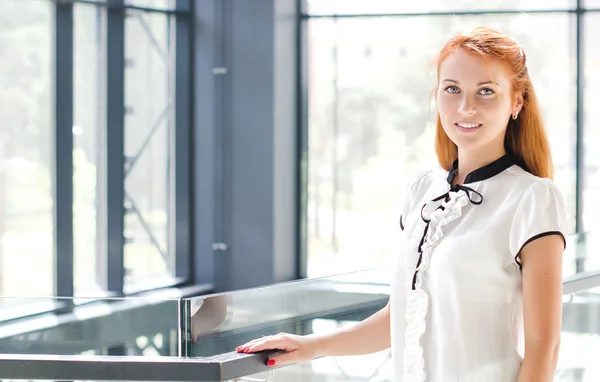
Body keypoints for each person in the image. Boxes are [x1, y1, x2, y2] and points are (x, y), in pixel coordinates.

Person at [236, 26, 568, 382]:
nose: (465, 107)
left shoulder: (533, 198)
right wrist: (310, 345)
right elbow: (401, 318)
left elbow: (542, 346)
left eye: (486, 91)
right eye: (452, 89)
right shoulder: (421, 191)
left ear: (517, 101)